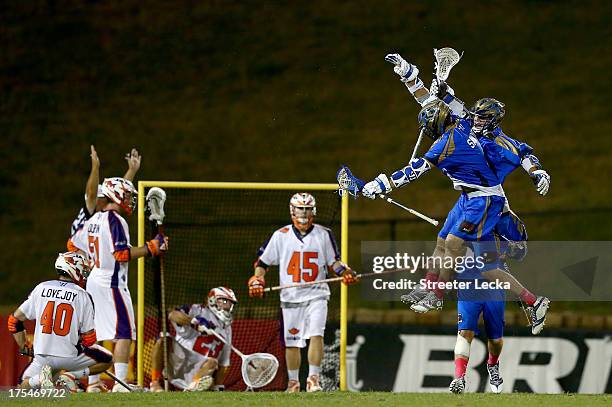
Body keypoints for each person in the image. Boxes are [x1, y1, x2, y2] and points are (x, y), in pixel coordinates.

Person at [360, 99, 550, 334]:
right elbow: (435, 97)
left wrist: (381, 184)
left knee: (454, 244)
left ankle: (437, 295)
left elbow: (415, 170)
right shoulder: (464, 123)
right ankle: (532, 300)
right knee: (452, 248)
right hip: (467, 198)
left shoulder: (447, 142)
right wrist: (409, 75)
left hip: (484, 201)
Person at [248, 192, 357, 392]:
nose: (304, 213)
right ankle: (293, 382)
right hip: (290, 297)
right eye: (300, 209)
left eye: (307, 209)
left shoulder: (324, 234)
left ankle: (313, 379)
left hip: (317, 294)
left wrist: (345, 272)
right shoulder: (280, 235)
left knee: (316, 334)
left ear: (313, 210)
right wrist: (258, 278)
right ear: (292, 210)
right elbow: (263, 262)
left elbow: (335, 262)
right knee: (292, 342)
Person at [70, 177, 168, 392]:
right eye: (126, 195)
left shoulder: (95, 218)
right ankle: (121, 384)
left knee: (96, 333)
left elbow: (74, 243)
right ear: (115, 195)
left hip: (94, 279)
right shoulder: (115, 220)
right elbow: (122, 254)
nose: (130, 199)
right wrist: (151, 247)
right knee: (124, 332)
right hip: (111, 282)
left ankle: (94, 385)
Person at [7, 252, 113, 392]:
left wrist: (24, 345)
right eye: (82, 269)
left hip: (42, 356)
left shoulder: (41, 288)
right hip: (69, 356)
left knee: (22, 387)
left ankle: (39, 379)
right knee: (107, 359)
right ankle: (71, 375)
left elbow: (14, 321)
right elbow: (89, 339)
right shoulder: (82, 295)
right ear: (73, 269)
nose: (84, 273)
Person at [149, 287, 237, 392]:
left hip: (199, 370)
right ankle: (154, 383)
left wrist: (218, 386)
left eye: (230, 303)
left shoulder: (227, 328)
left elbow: (224, 362)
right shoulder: (197, 310)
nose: (227, 306)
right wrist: (194, 321)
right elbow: (173, 315)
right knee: (163, 339)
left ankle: (192, 389)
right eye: (224, 301)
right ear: (212, 300)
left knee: (212, 362)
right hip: (179, 359)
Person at [69, 146, 141, 242]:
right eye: (105, 198)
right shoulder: (91, 211)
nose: (108, 201)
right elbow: (91, 194)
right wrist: (95, 167)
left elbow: (120, 191)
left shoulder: (102, 213)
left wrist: (131, 170)